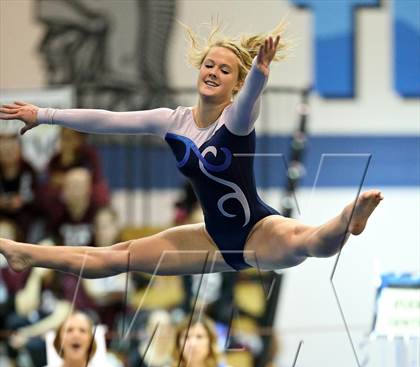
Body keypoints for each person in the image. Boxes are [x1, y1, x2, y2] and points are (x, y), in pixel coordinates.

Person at [0, 22, 383, 278]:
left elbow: (250, 99)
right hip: (209, 238)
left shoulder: (236, 120)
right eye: (209, 65)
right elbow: (108, 119)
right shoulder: (173, 120)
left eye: (225, 70)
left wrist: (259, 76)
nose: (213, 72)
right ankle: (21, 252)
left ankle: (349, 219)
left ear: (235, 84)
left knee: (310, 242)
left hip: (256, 230)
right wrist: (44, 114)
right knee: (116, 257)